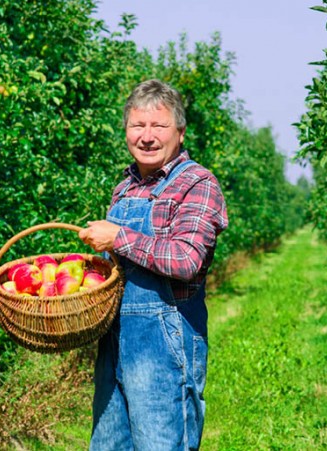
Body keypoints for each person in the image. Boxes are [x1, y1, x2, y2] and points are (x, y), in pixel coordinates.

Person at [78, 79, 228, 450]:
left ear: (179, 131)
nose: (146, 136)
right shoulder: (124, 187)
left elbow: (186, 259)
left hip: (166, 344)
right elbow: (118, 267)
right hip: (114, 342)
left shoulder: (197, 184)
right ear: (126, 130)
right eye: (137, 126)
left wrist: (118, 238)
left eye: (158, 126)